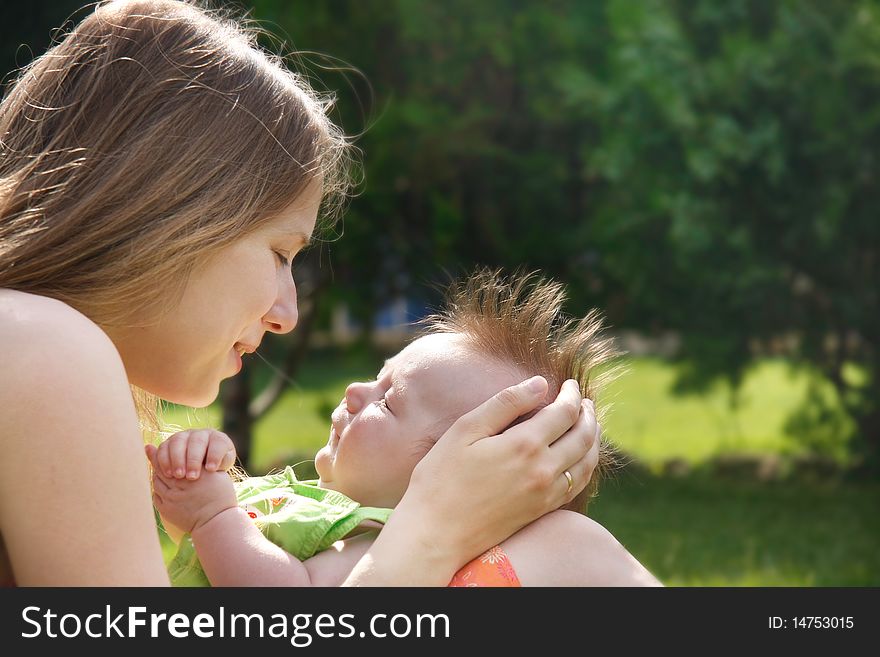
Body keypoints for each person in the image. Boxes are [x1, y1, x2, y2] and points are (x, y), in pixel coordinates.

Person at [0, 0, 599, 586]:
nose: (286, 315)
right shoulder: (46, 346)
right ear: (169, 216)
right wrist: (434, 530)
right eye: (281, 252)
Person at [149, 270, 661, 586]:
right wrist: (197, 484)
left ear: (450, 473)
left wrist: (215, 517)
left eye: (388, 402)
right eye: (378, 376)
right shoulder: (320, 510)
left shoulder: (370, 542)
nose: (354, 390)